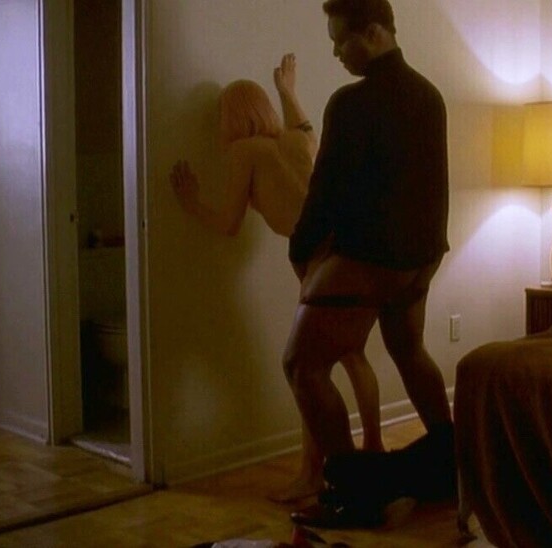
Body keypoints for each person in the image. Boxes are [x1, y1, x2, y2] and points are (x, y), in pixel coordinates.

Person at [169, 54, 384, 503]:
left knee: (307, 370)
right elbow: (305, 126)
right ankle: (373, 448)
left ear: (232, 118)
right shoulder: (297, 141)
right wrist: (287, 91)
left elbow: (229, 224)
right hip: (353, 248)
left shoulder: (245, 151)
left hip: (319, 262)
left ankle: (312, 474)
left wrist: (191, 203)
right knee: (352, 354)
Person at [284, 0, 455, 529]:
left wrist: (300, 250)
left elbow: (326, 190)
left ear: (375, 32)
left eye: (342, 40)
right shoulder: (429, 95)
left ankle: (354, 495)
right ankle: (452, 469)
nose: (336, 52)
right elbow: (434, 186)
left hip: (369, 258)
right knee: (408, 349)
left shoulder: (350, 103)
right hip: (419, 259)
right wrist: (430, 253)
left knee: (302, 365)